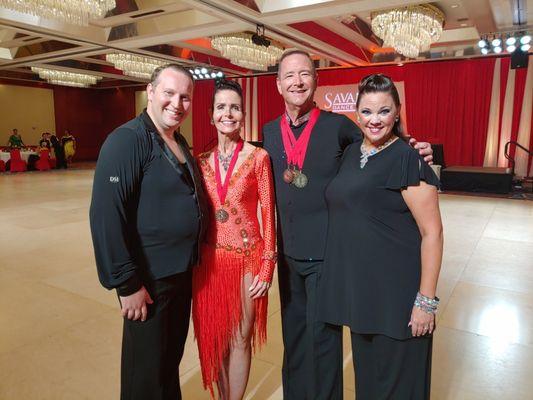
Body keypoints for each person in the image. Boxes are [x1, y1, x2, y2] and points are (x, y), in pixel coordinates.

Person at [261, 49, 434, 399]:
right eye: (289, 76)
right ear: (278, 84)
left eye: (305, 74)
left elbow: (379, 147)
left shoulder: (340, 127)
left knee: (323, 344)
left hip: (328, 254)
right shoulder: (268, 132)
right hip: (288, 253)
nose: (297, 81)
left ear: (316, 80)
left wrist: (414, 148)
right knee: (293, 338)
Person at [318, 74, 443, 399]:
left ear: (397, 112)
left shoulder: (407, 158)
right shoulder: (350, 154)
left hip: (398, 298)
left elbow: (433, 233)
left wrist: (425, 303)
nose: (375, 120)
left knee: (397, 387)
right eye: (368, 112)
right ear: (357, 114)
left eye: (384, 111)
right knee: (369, 386)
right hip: (362, 298)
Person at [89, 64, 208, 400]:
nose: (177, 103)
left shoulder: (177, 140)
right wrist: (127, 283)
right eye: (169, 93)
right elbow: (105, 216)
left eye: (185, 97)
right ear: (150, 91)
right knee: (145, 375)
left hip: (179, 276)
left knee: (167, 366)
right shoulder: (126, 140)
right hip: (149, 281)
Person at [192, 79, 276, 399]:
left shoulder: (258, 158)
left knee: (240, 338)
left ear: (243, 114)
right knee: (217, 337)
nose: (229, 113)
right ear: (211, 115)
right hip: (210, 262)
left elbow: (269, 213)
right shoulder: (201, 162)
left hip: (248, 260)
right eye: (221, 107)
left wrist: (268, 266)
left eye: (235, 108)